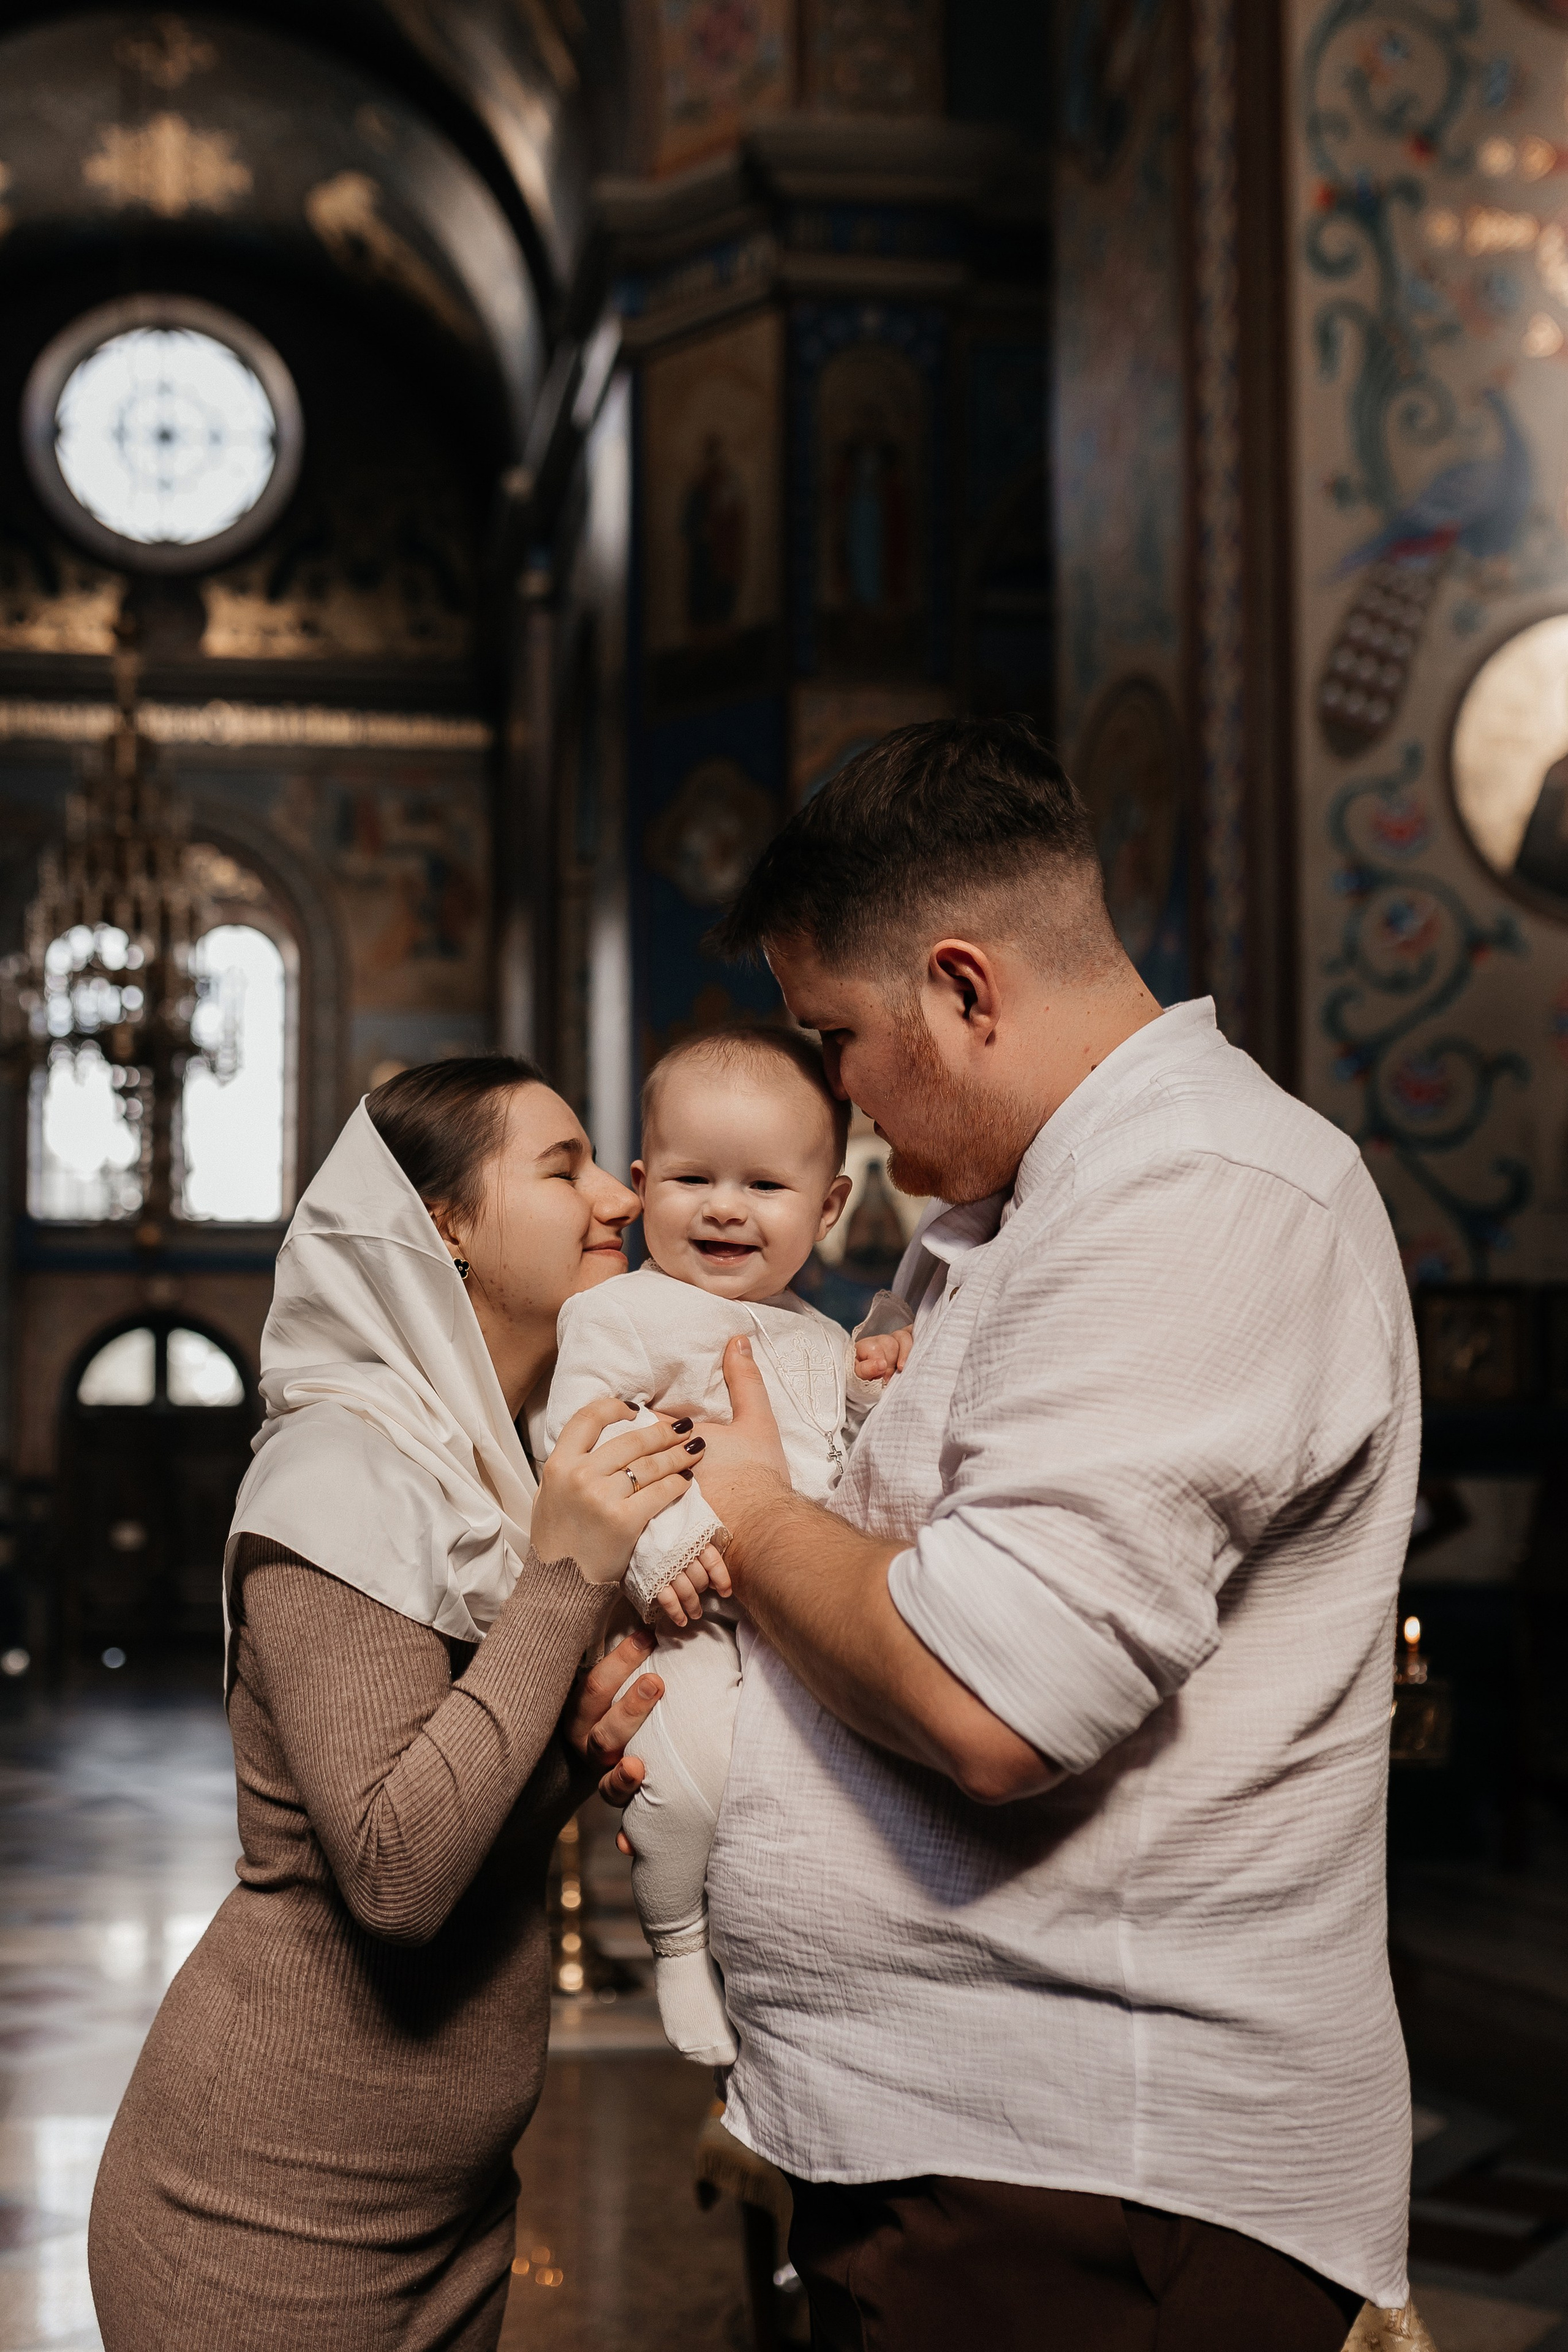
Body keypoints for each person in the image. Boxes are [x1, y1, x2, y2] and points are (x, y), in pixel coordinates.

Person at [607, 717, 1419, 2348]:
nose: (830, 1091)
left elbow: (989, 1702)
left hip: (1091, 2188)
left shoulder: (1201, 1201)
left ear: (965, 990)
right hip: (967, 2158)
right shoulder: (1018, 1207)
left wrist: (751, 1516)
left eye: (835, 1035)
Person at [88, 1057, 688, 2352]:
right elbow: (397, 1872)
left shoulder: (481, 1466)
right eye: (562, 1163)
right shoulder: (342, 1466)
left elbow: (456, 1802)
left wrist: (567, 1757)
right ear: (443, 1227)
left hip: (443, 2216)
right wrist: (567, 1576)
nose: (617, 1196)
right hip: (262, 2227)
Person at [538, 1027, 909, 2066]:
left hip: (805, 1608)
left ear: (829, 1208)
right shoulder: (621, 1311)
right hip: (692, 1613)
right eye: (693, 1178)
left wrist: (883, 1379)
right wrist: (661, 1544)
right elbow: (585, 1437)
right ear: (647, 1185)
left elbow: (860, 1458)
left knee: (821, 1790)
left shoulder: (822, 1336)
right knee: (682, 1774)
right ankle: (677, 1943)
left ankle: (789, 1958)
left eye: (764, 1186)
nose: (724, 1206)